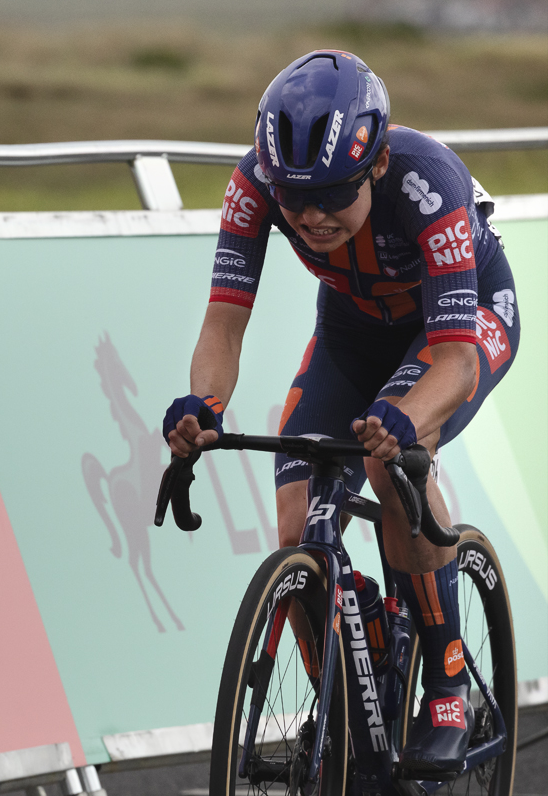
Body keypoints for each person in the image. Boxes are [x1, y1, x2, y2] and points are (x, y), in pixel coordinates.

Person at [162, 50, 519, 779]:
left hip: (463, 323)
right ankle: (348, 714)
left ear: (377, 163)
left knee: (392, 463)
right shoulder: (254, 184)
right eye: (295, 199)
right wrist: (203, 405)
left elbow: (451, 359)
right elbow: (224, 324)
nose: (311, 216)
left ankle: (447, 684)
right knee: (296, 523)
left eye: (331, 194)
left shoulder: (428, 183)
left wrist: (403, 420)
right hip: (352, 333)